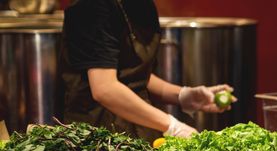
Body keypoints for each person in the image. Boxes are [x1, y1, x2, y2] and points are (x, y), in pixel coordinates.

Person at [59, 0, 235, 141]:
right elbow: (105, 88)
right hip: (97, 136)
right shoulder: (91, 7)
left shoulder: (143, 6)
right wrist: (171, 125)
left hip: (139, 130)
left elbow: (132, 74)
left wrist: (182, 96)